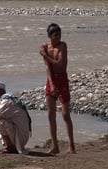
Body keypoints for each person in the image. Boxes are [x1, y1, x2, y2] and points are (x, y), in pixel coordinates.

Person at [39, 23, 75, 154]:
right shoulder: (45, 47)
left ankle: (72, 145)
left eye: (59, 35)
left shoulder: (62, 46)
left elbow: (60, 63)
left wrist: (45, 55)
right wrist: (52, 84)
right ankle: (55, 145)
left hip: (62, 78)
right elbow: (48, 67)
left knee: (65, 114)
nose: (58, 37)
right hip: (51, 79)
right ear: (50, 36)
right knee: (51, 114)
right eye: (55, 35)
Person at [0, 81, 31, 155]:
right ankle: (11, 146)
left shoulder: (7, 101)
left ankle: (10, 147)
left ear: (2, 92)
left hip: (21, 136)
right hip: (19, 133)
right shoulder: (9, 98)